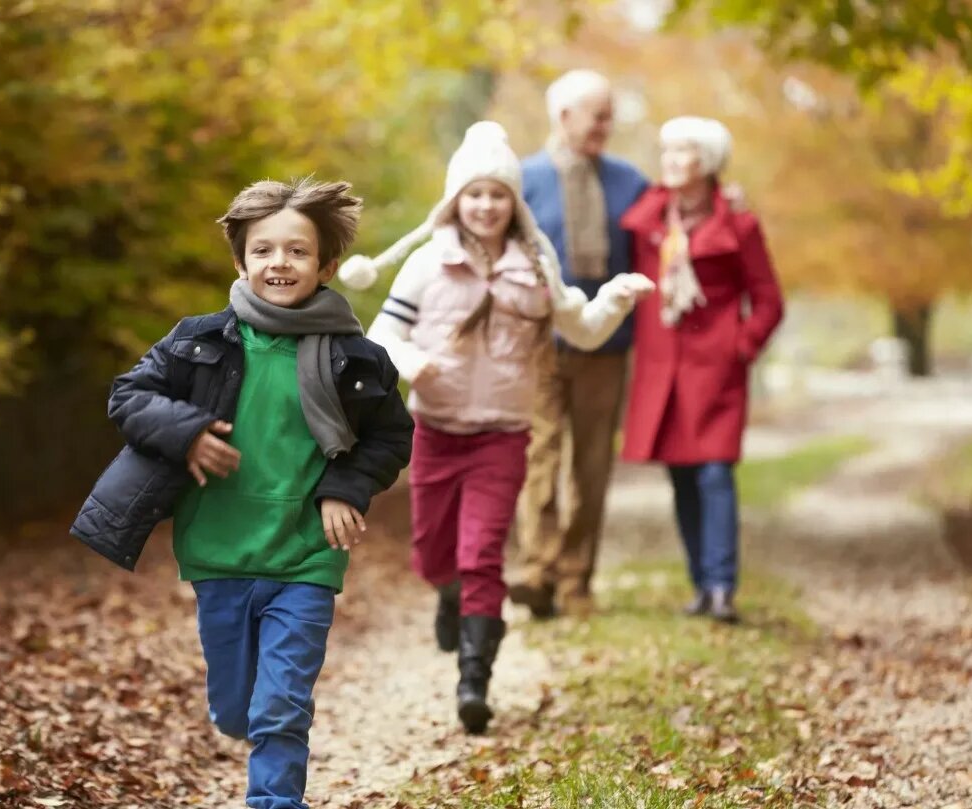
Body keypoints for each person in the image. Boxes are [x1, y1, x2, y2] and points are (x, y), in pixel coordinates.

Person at [71, 178, 413, 809]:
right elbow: (128, 396)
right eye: (263, 250)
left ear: (327, 265)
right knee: (239, 710)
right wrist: (189, 434)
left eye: (297, 251)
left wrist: (345, 489)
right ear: (240, 261)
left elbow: (391, 437)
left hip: (306, 556)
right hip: (219, 552)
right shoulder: (198, 342)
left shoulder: (358, 359)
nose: (279, 263)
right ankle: (247, 725)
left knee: (281, 707)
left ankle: (274, 801)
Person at [337, 121, 653, 733]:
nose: (486, 206)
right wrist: (408, 363)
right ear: (456, 200)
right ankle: (448, 594)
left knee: (482, 554)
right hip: (436, 429)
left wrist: (613, 297)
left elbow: (581, 330)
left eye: (498, 194)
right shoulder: (429, 265)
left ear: (515, 204)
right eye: (475, 194)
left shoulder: (535, 265)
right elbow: (382, 336)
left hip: (504, 434)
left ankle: (474, 682)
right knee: (433, 555)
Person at [620, 116, 784, 623]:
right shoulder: (649, 221)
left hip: (716, 372)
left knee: (715, 475)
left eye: (683, 151)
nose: (669, 159)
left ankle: (722, 588)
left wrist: (740, 346)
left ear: (708, 162)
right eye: (666, 149)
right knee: (682, 478)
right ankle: (699, 584)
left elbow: (769, 300)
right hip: (661, 371)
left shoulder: (739, 224)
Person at [508, 69, 651, 619]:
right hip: (539, 345)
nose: (606, 126)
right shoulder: (523, 179)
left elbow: (667, 227)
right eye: (598, 115)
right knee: (538, 458)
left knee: (591, 466)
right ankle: (538, 573)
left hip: (607, 347)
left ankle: (576, 580)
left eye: (610, 115)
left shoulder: (629, 182)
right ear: (563, 116)